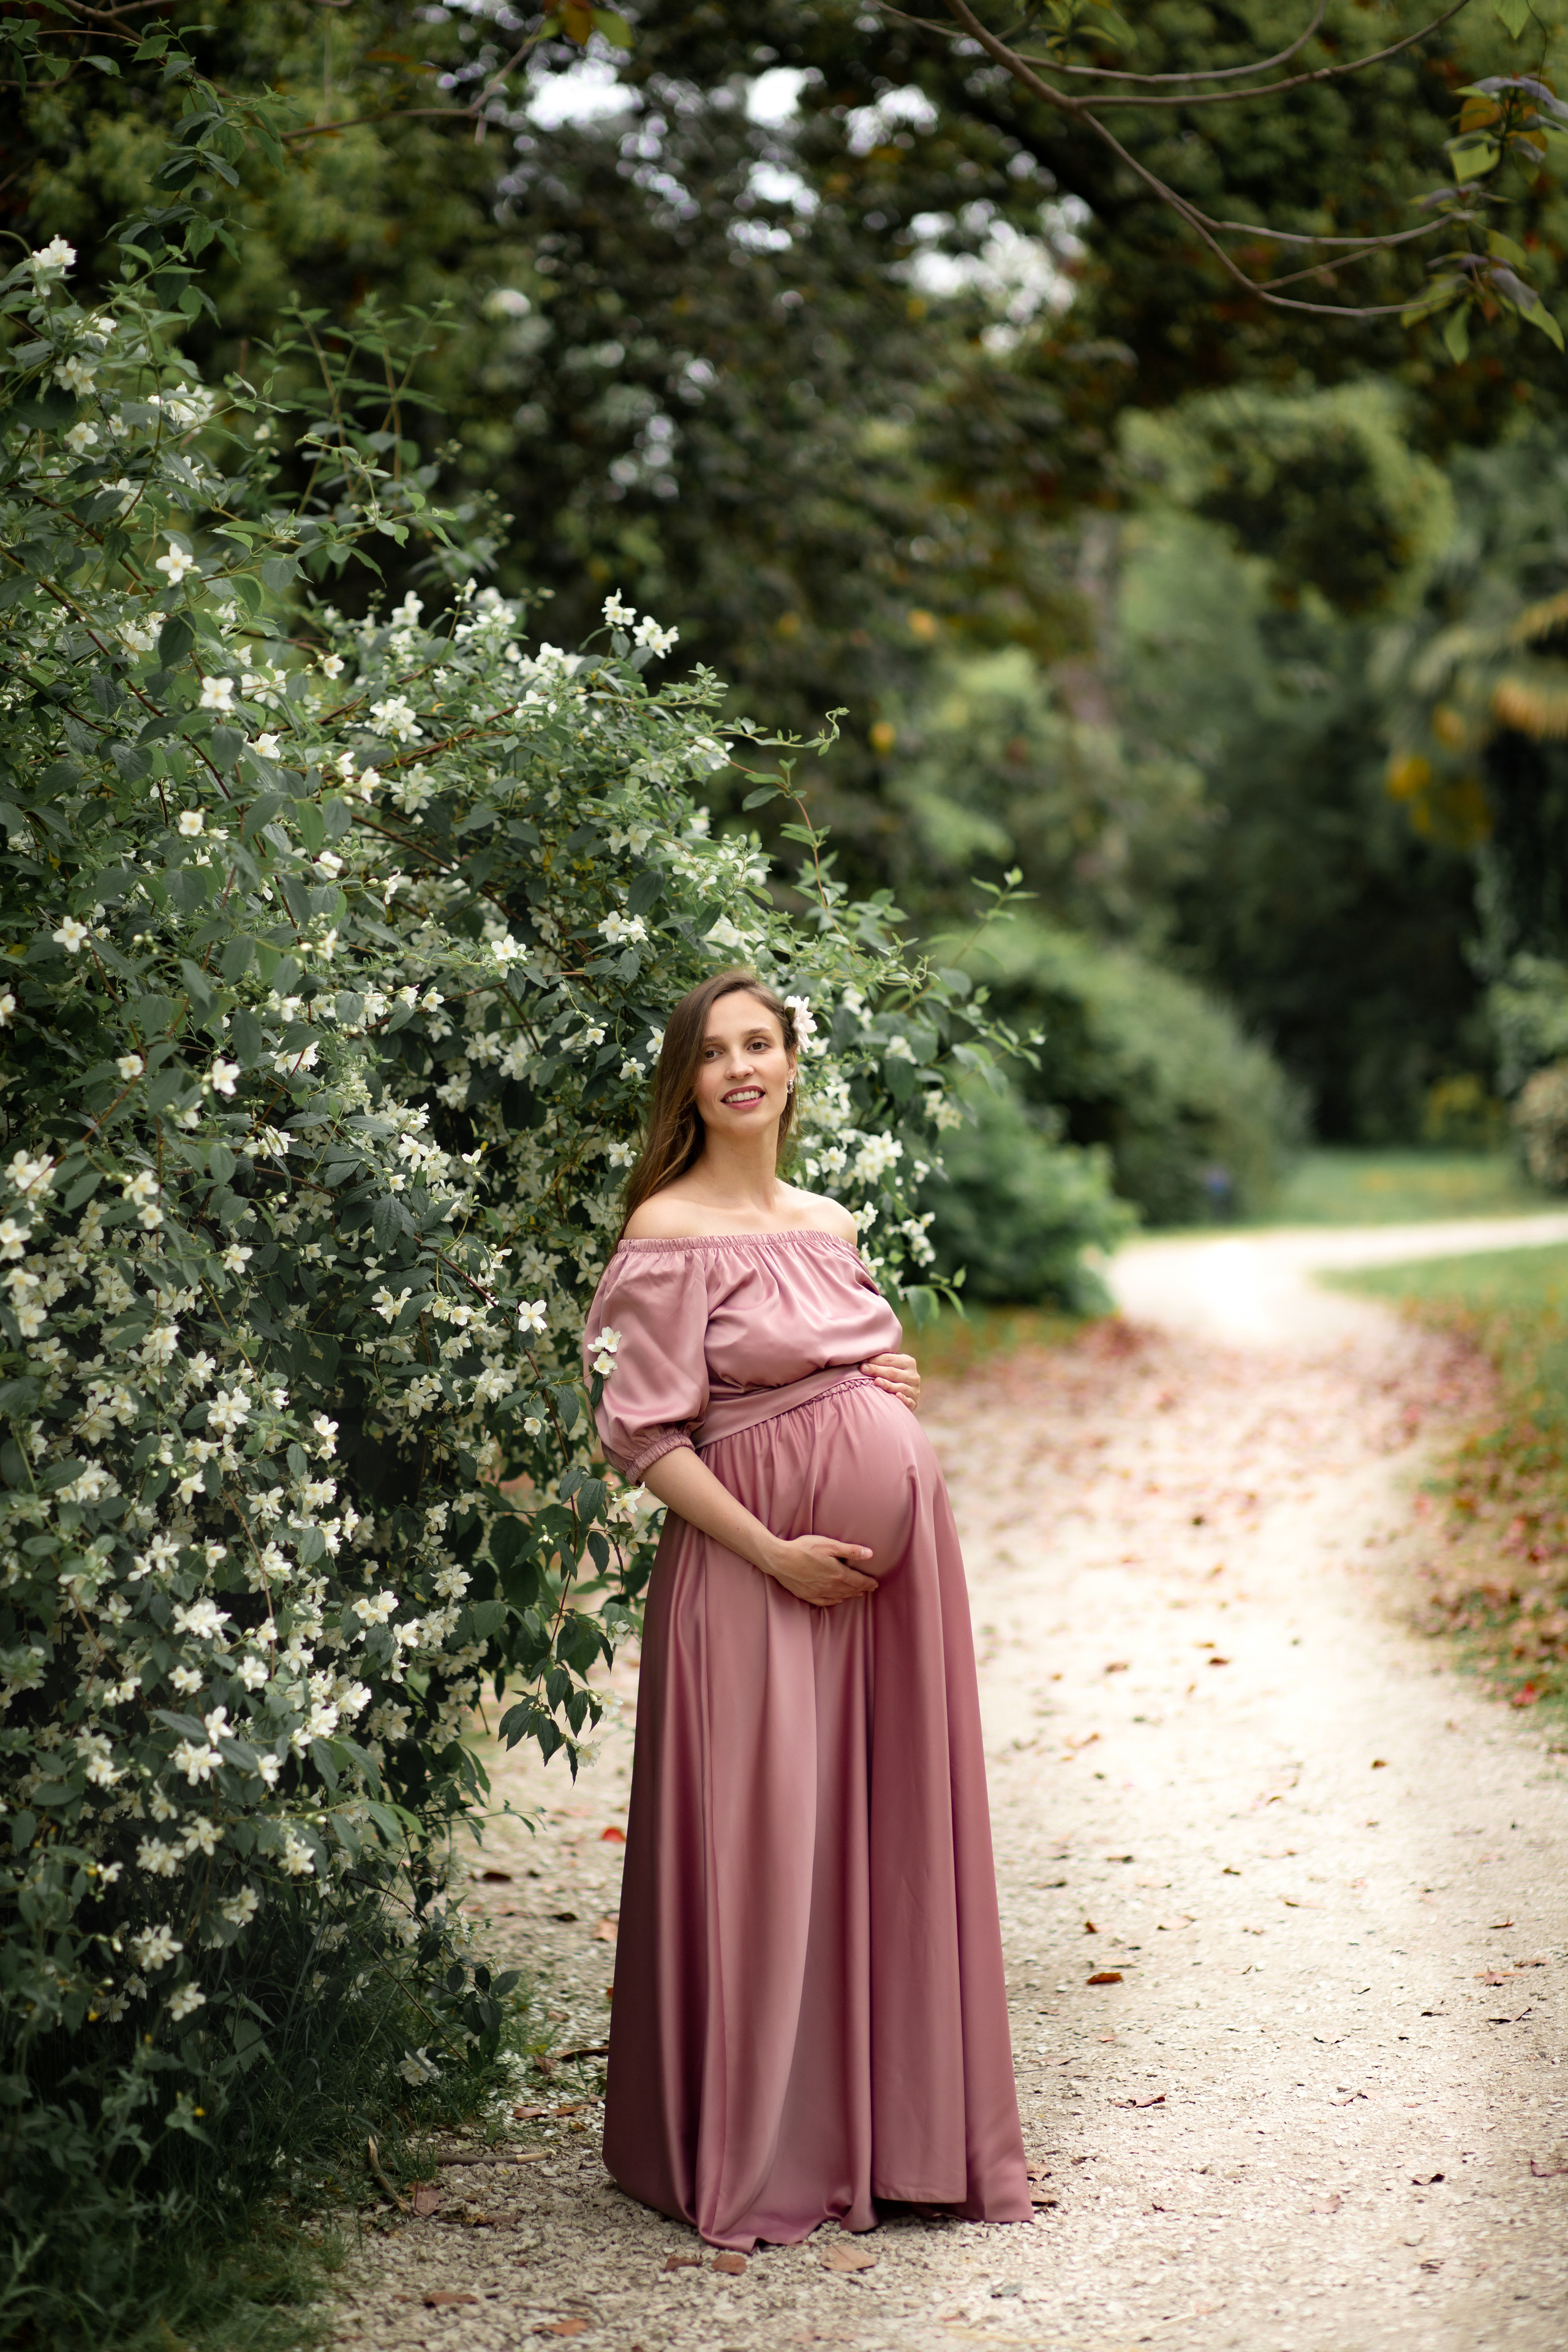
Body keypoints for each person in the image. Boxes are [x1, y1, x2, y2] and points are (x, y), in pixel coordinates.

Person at [582, 968, 1031, 2252]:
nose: (740, 1067)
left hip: (890, 1594)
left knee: (880, 1838)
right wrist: (774, 1553)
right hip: (750, 1572)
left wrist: (870, 1377)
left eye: (760, 1044)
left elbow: (830, 1362)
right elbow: (643, 1436)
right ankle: (766, 2147)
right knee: (766, 1852)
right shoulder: (663, 1232)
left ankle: (898, 2139)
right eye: (715, 1050)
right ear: (687, 1082)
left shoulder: (825, 1221)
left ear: (788, 1065)